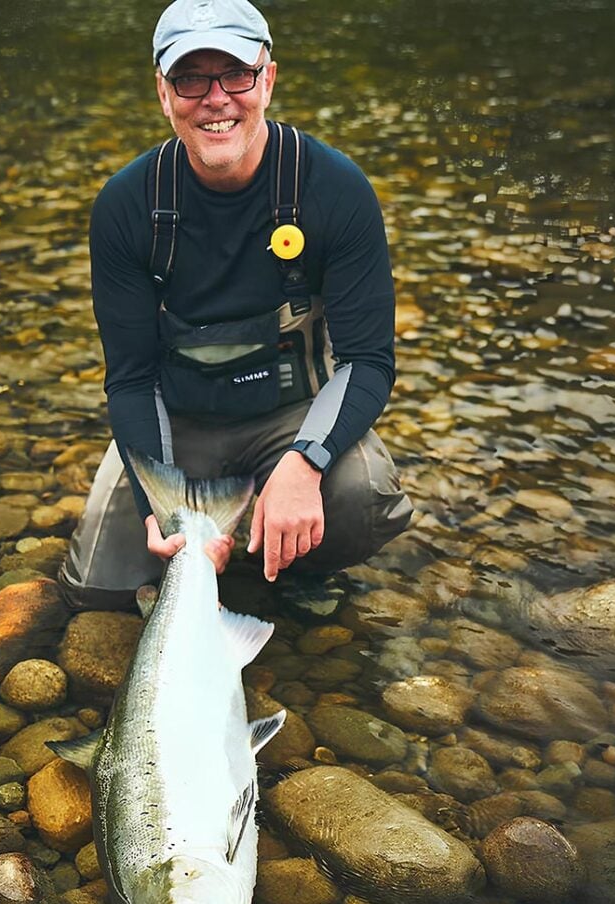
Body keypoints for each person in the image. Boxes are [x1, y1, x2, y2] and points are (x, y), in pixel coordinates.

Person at [58, 0, 412, 611]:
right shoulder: (125, 206)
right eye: (190, 78)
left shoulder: (335, 189)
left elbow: (368, 361)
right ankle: (231, 537)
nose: (216, 97)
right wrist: (160, 513)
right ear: (164, 93)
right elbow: (133, 378)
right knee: (97, 591)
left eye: (236, 75)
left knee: (358, 497)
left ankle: (286, 559)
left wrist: (306, 463)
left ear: (267, 79)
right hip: (179, 424)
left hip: (288, 419)